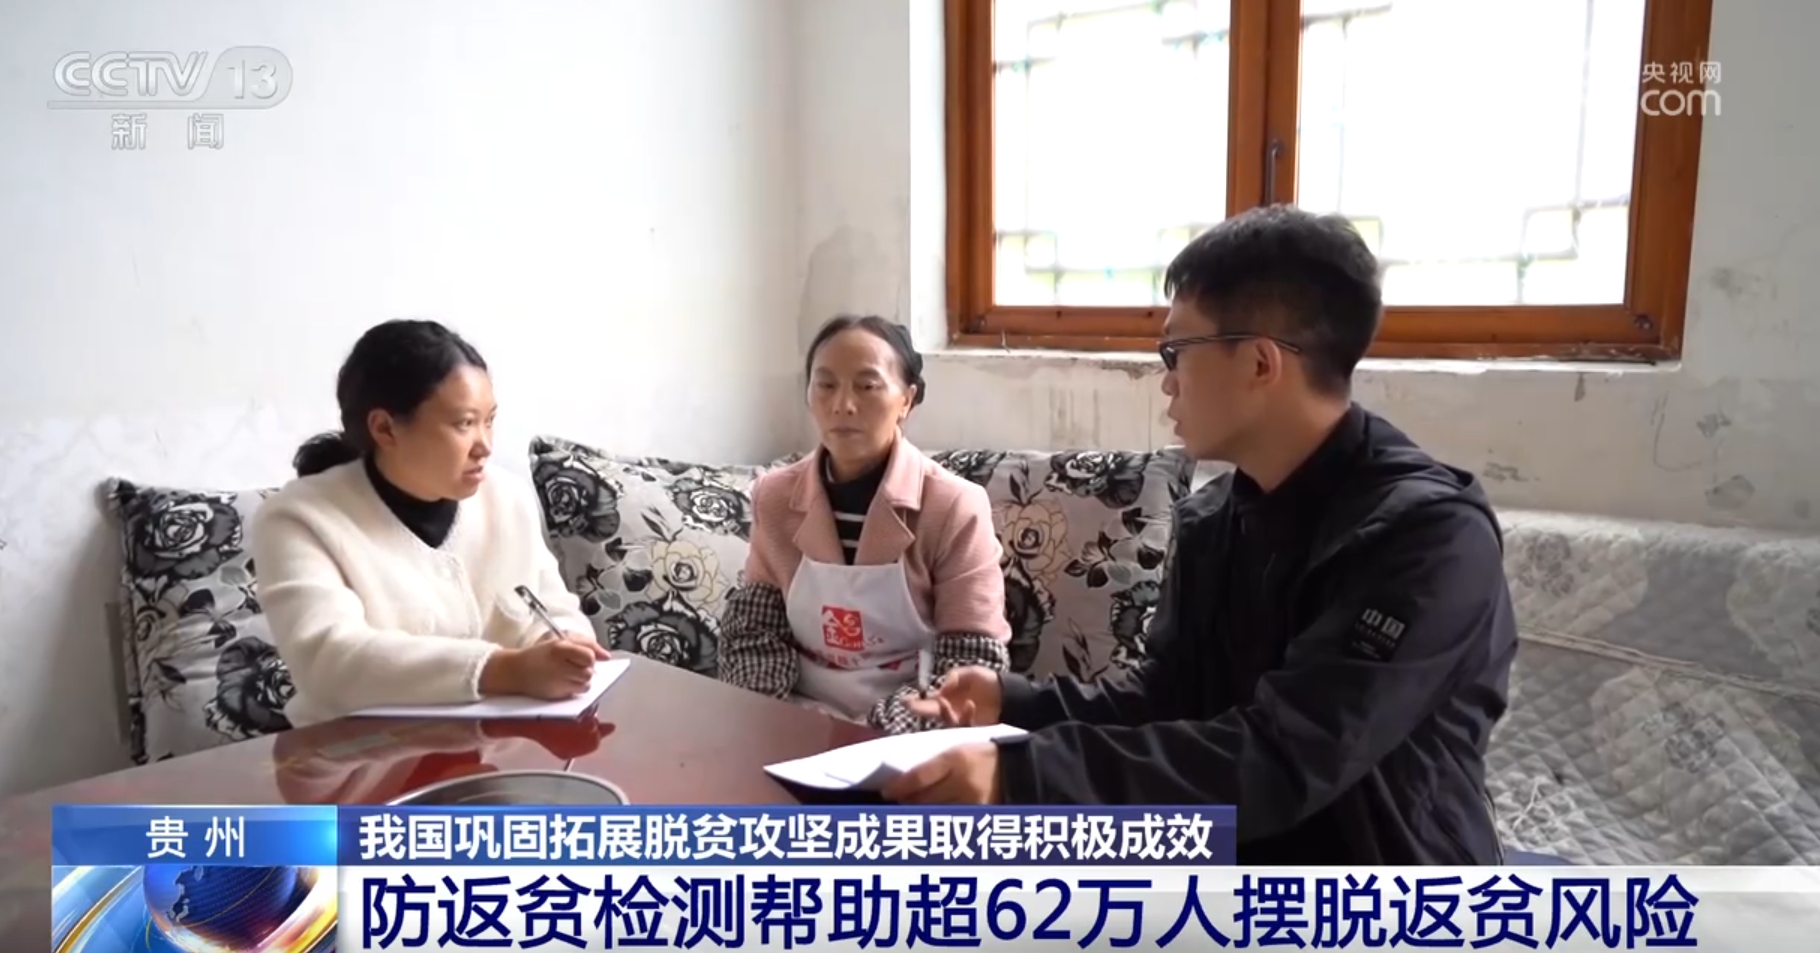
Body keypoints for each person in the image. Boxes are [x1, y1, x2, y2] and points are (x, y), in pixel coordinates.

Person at [884, 205, 1520, 866]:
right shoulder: (1215, 518)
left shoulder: (1429, 539)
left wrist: (1024, 774)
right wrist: (1015, 704)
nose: (1166, 380)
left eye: (1176, 352)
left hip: (1382, 886)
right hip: (1229, 858)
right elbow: (1168, 698)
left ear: (1261, 363)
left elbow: (1283, 756)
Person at [250, 319, 609, 727]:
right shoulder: (299, 519)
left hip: (503, 747)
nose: (485, 445)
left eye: (489, 420)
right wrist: (507, 670)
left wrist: (565, 645)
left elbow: (554, 609)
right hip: (357, 753)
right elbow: (329, 660)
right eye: (464, 423)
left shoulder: (507, 499)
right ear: (385, 428)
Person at [718, 315, 1012, 733]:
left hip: (912, 725)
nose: (843, 405)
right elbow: (754, 629)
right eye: (826, 385)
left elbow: (973, 659)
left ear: (907, 399)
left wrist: (870, 734)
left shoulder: (953, 505)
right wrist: (777, 723)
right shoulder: (776, 496)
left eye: (867, 386)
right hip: (800, 718)